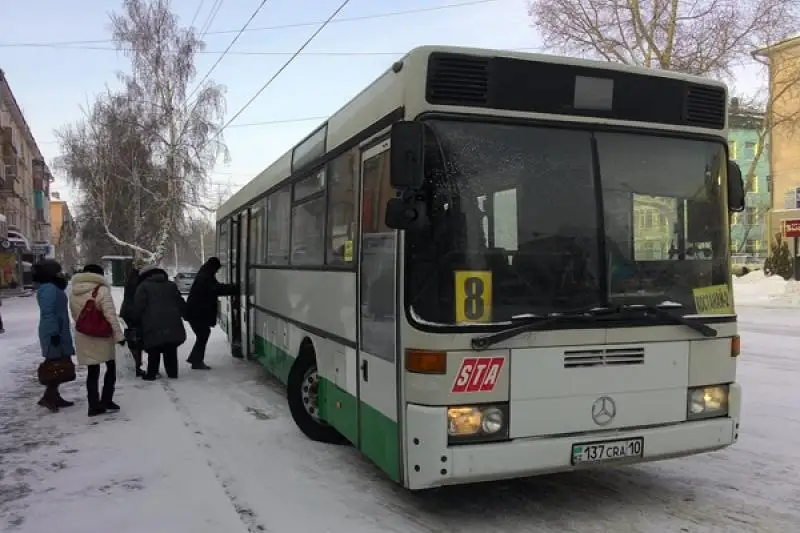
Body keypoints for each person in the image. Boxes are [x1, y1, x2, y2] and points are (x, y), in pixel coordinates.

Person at [69, 264, 125, 417]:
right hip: (102, 334)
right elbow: (110, 316)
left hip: (84, 334)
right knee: (110, 366)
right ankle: (107, 400)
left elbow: (75, 314)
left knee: (92, 371)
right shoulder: (102, 290)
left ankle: (93, 405)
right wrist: (119, 336)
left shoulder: (73, 290)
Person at [130, 265, 187, 380]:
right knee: (170, 349)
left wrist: (135, 320)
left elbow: (138, 306)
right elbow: (180, 302)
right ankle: (172, 373)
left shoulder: (143, 287)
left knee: (153, 349)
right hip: (172, 323)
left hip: (152, 324)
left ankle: (151, 374)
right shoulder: (171, 285)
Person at [33, 259, 76, 412]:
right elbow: (48, 313)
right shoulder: (49, 289)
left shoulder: (51, 287)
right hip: (54, 332)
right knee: (55, 364)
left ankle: (53, 396)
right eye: (57, 271)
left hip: (58, 330)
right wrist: (53, 333)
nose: (60, 274)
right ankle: (49, 397)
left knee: (59, 363)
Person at [184, 257, 237, 370]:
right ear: (213, 267)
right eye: (217, 269)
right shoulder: (205, 277)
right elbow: (216, 289)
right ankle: (196, 361)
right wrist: (233, 288)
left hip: (196, 312)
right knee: (203, 335)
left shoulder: (205, 274)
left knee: (203, 335)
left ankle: (195, 360)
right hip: (197, 313)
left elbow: (215, 288)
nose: (217, 271)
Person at [119, 264, 145, 376]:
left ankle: (135, 365)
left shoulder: (129, 282)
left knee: (132, 340)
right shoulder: (139, 284)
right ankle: (137, 366)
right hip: (135, 312)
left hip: (126, 312)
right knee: (137, 341)